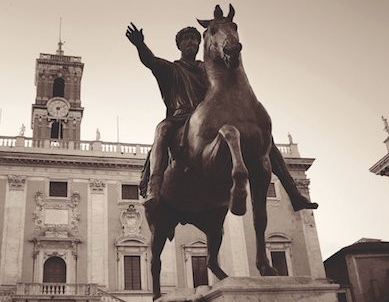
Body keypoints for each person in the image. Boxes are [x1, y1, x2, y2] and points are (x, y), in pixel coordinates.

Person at [126, 23, 318, 212]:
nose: (191, 42)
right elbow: (150, 61)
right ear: (179, 45)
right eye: (186, 39)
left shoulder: (208, 70)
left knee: (264, 138)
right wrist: (139, 44)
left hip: (211, 119)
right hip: (181, 117)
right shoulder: (171, 69)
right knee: (162, 129)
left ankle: (293, 193)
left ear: (201, 44)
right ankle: (154, 185)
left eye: (194, 38)